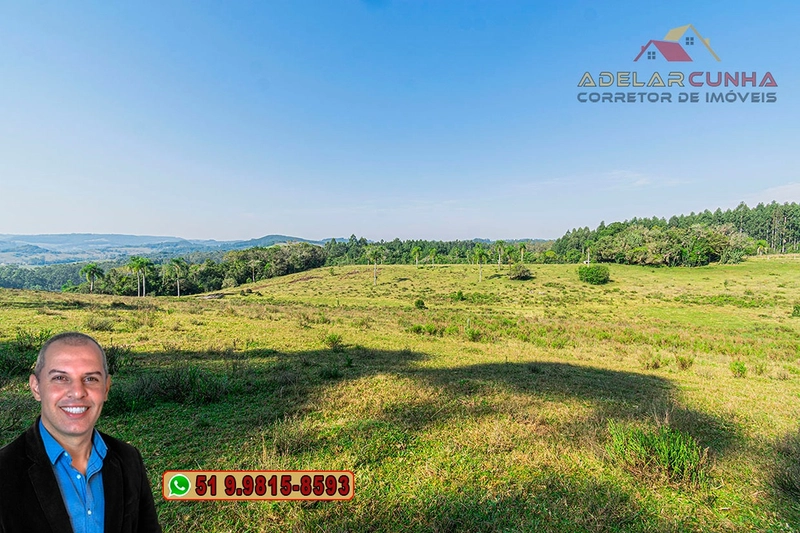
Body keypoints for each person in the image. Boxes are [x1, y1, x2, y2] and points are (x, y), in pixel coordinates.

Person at [0, 331, 161, 533]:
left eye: (91, 379)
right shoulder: (4, 471)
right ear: (36, 387)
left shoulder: (129, 459)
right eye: (60, 377)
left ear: (106, 388)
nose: (77, 392)